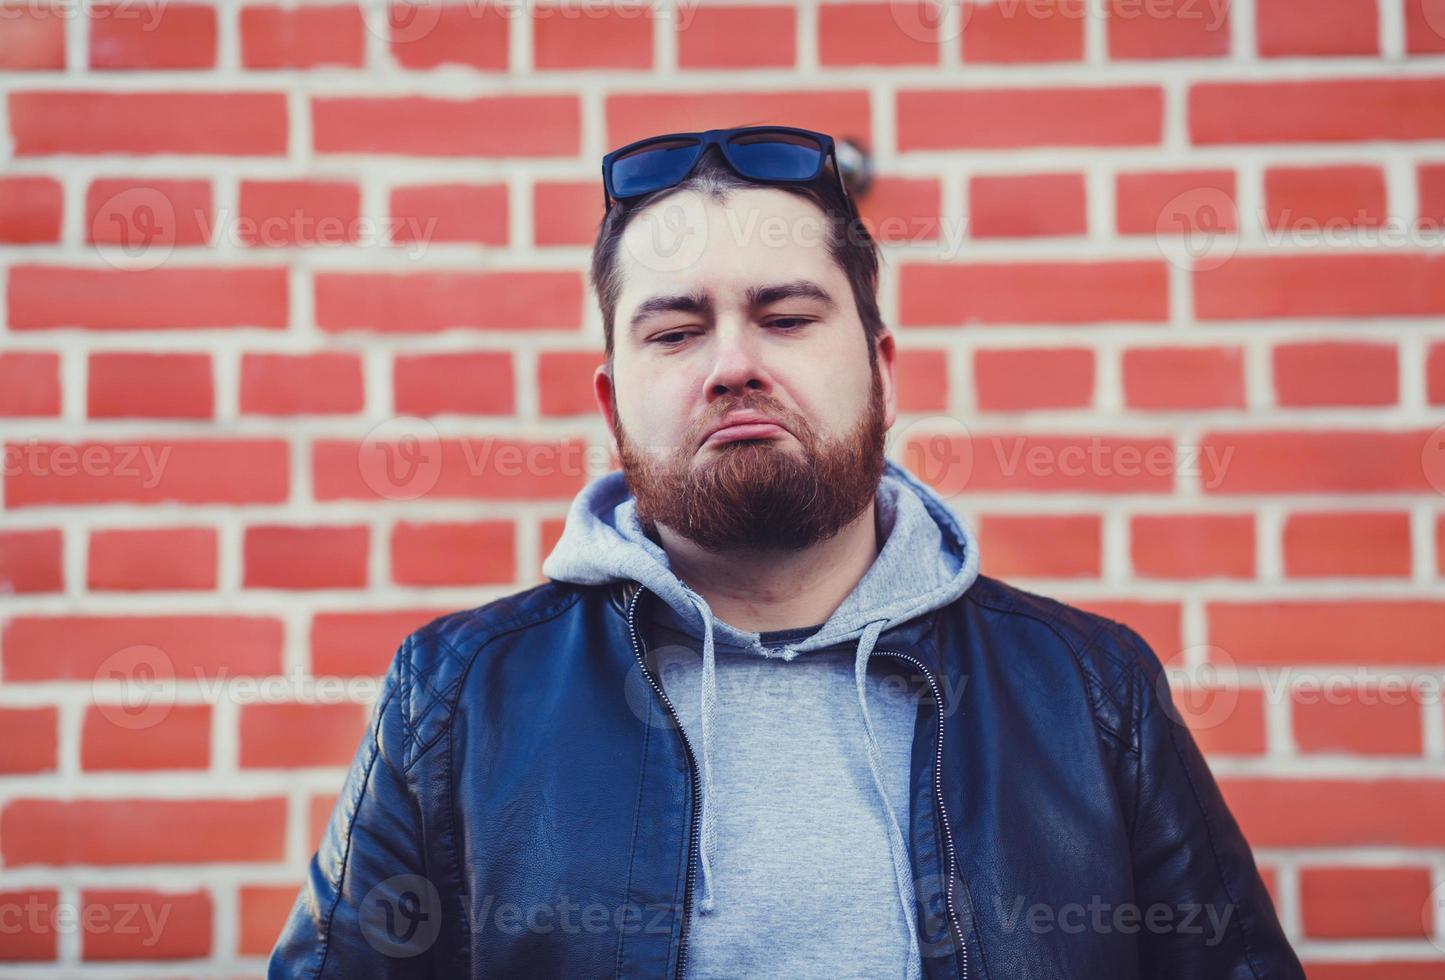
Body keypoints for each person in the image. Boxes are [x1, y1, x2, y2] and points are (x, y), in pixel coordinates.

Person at [268, 124, 1305, 979]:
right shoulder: (454, 699)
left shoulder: (1091, 692)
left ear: (882, 371)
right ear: (612, 404)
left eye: (786, 315)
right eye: (674, 332)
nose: (733, 364)